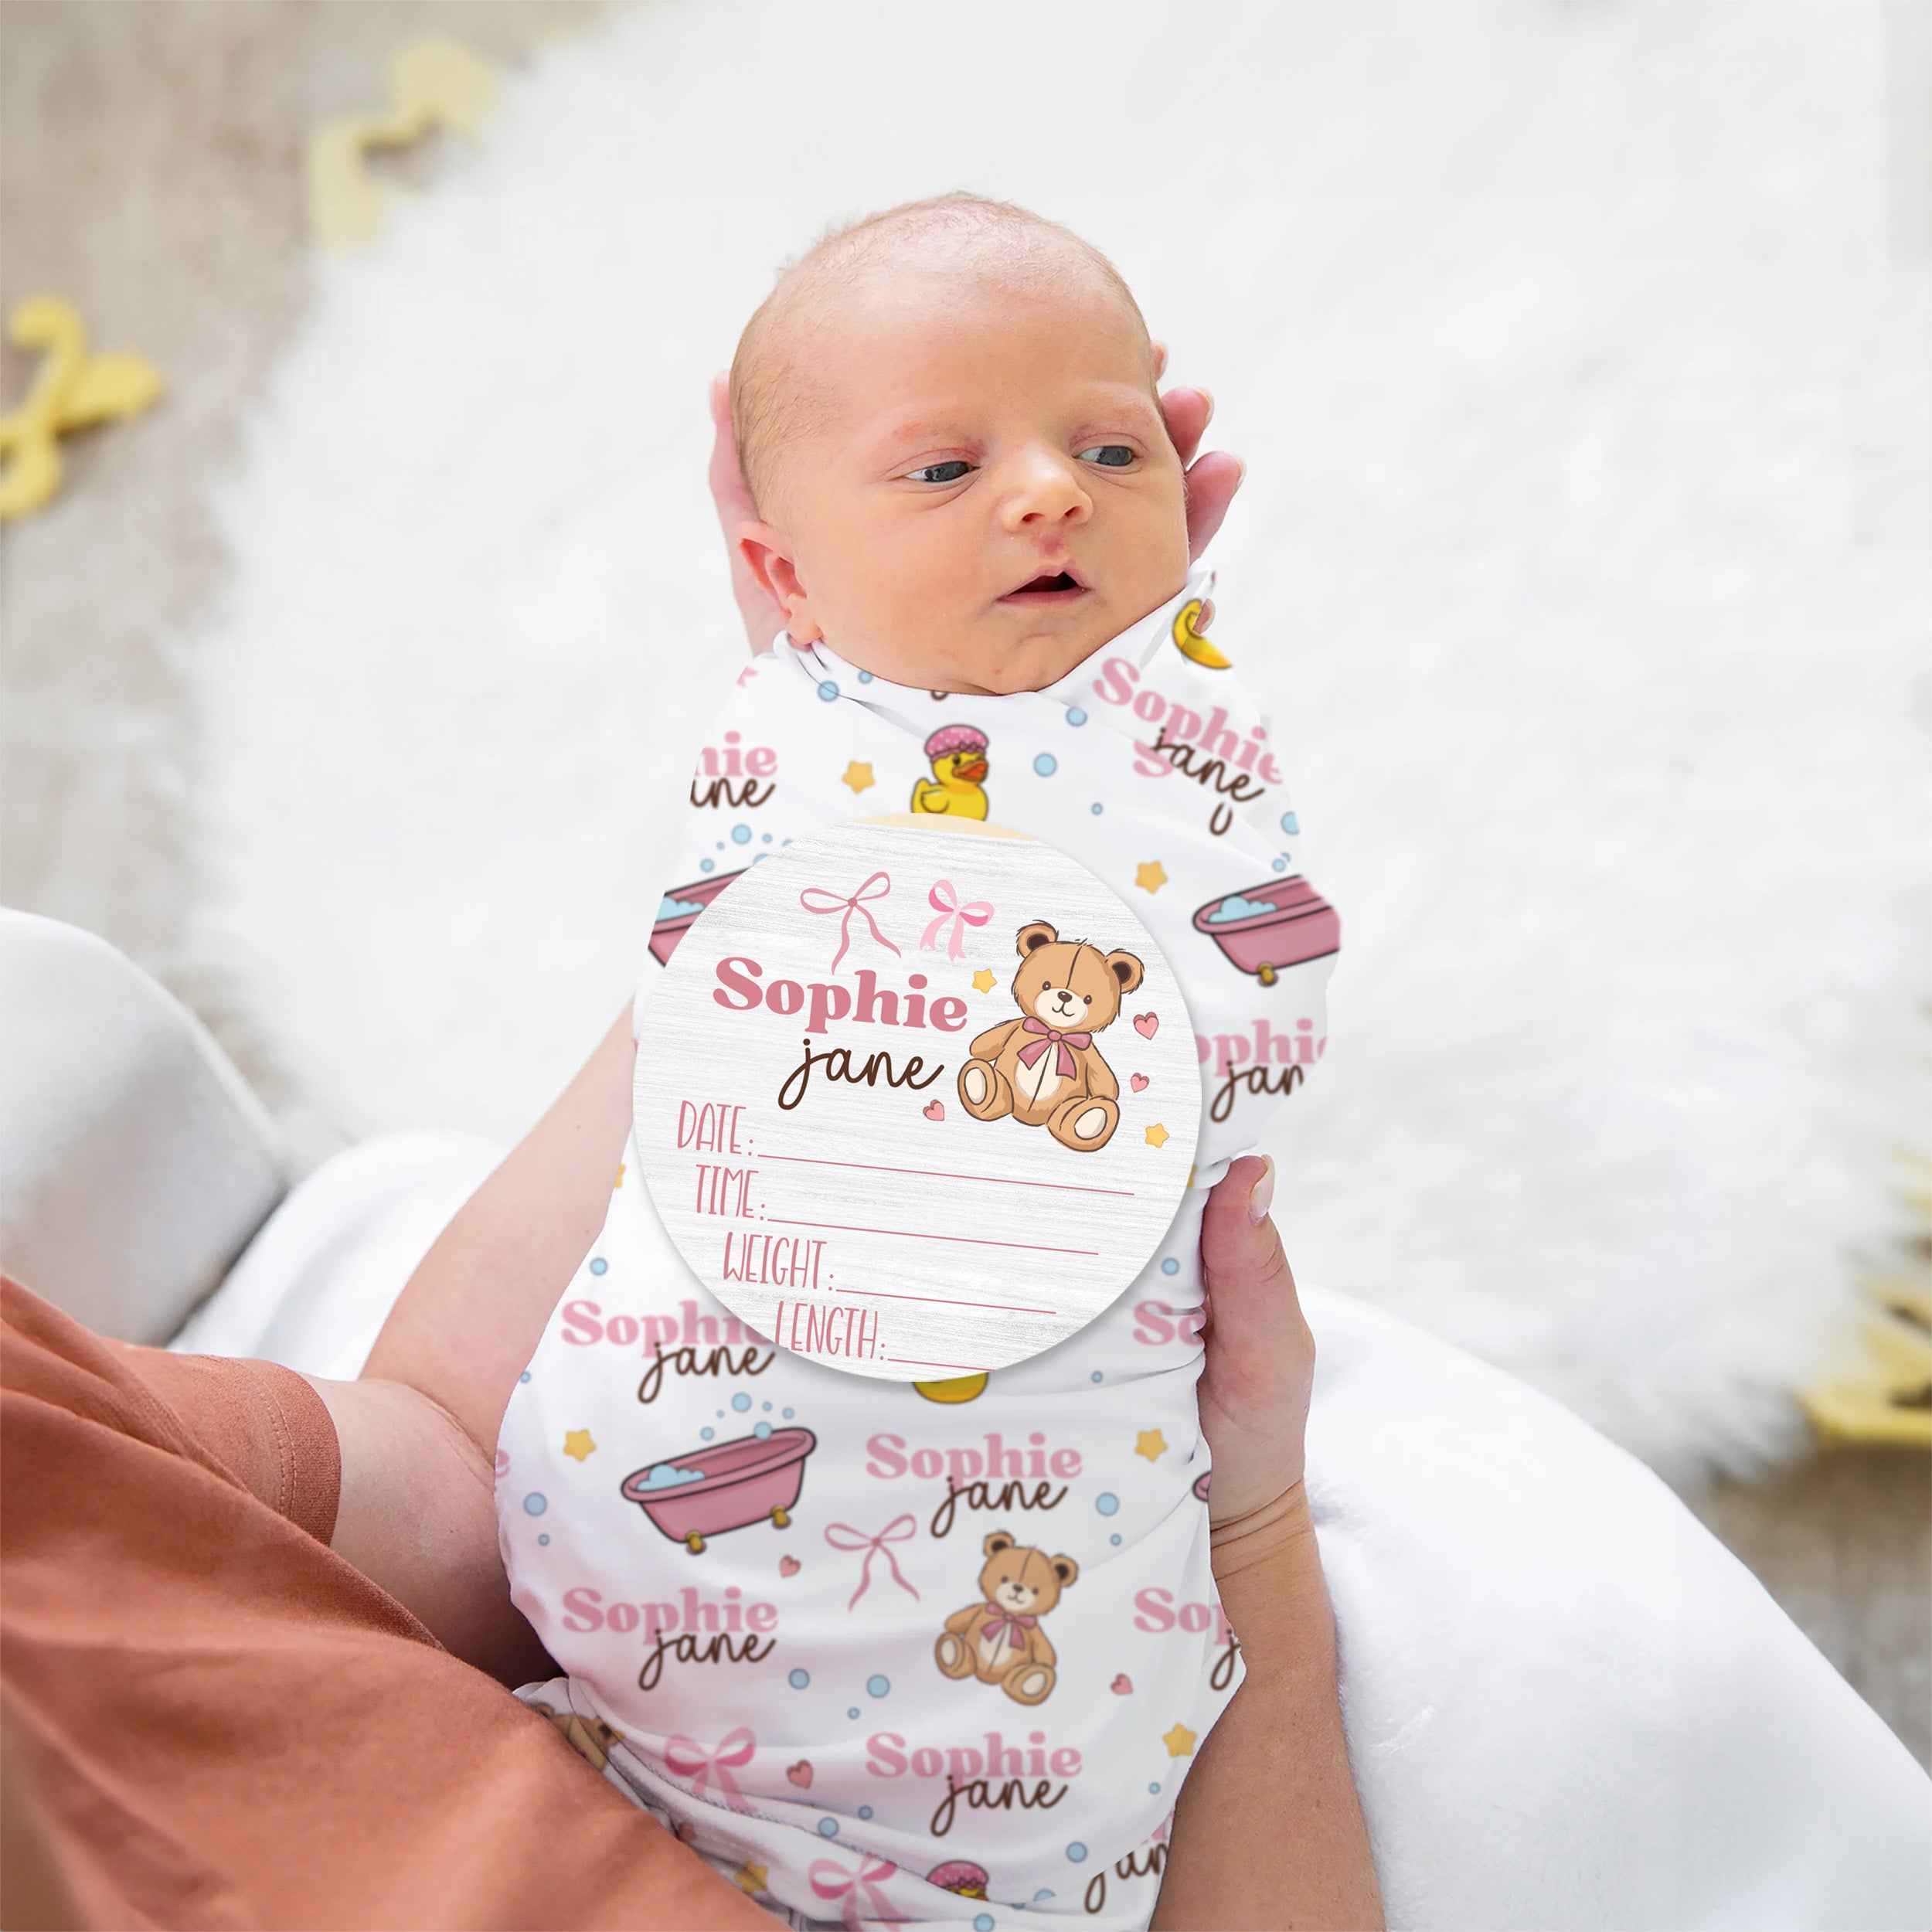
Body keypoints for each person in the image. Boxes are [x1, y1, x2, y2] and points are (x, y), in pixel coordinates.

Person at [1, 225, 1380, 1927]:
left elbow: (444, 1464)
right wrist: (1257, 1535)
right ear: (785, 570)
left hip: (848, 1592)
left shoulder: (47, 1491)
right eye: (944, 468)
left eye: (1112, 451)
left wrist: (851, 780)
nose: (1050, 493)